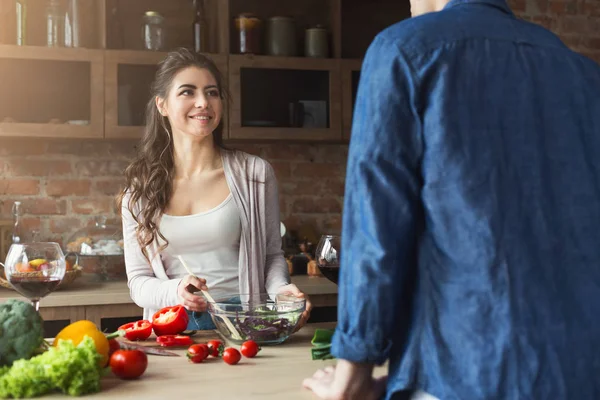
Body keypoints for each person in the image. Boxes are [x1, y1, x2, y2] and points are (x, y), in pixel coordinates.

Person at [304, 0, 600, 399]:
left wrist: (350, 375)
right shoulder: (582, 73)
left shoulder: (403, 50)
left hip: (466, 375)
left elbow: (376, 231)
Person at [118, 48, 311, 331]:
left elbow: (272, 256)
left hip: (245, 324)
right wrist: (176, 291)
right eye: (187, 92)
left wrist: (281, 291)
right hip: (173, 328)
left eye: (212, 92)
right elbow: (138, 280)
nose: (203, 103)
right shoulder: (140, 190)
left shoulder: (255, 174)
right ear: (162, 105)